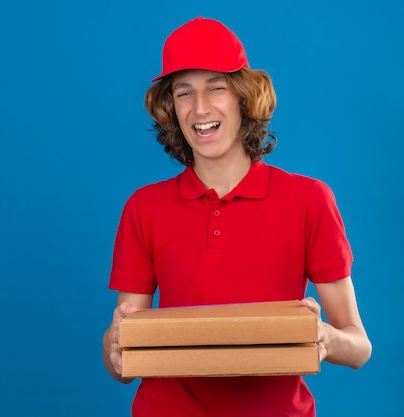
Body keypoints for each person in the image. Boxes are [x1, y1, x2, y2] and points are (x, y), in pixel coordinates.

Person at [102, 16, 372, 417]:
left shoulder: (309, 200)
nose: (200, 108)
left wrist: (324, 339)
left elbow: (359, 347)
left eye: (217, 88)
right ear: (170, 108)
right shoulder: (144, 208)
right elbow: (126, 360)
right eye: (183, 93)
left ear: (244, 98)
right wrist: (114, 348)